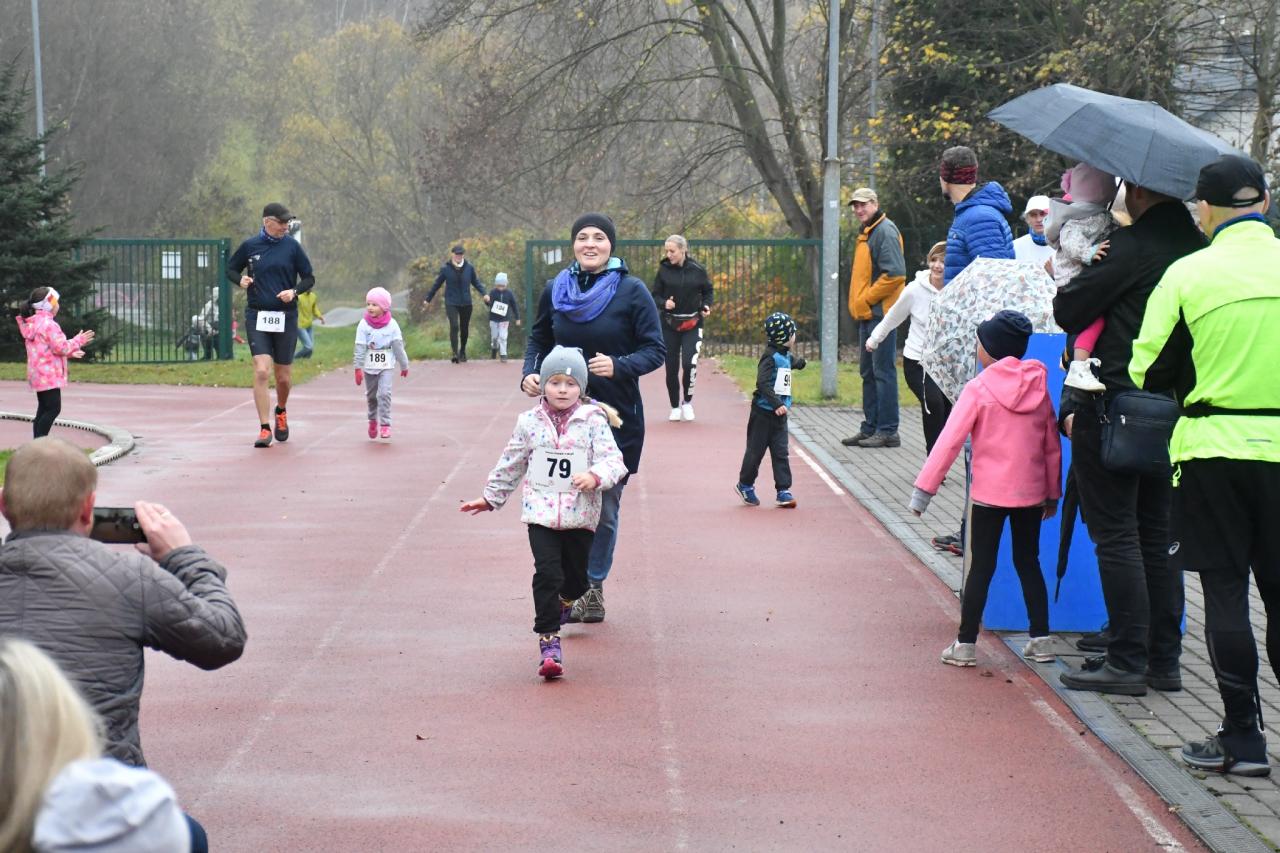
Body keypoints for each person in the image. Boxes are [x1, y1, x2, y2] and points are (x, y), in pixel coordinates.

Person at [1130, 154, 1279, 776]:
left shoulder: (1188, 273)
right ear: (1265, 203)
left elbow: (1146, 370)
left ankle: (1242, 739)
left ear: (1205, 209)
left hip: (1213, 448)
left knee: (1225, 594)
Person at [0, 437, 248, 767]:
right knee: (184, 823)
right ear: (88, 508)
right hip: (100, 793)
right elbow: (224, 639)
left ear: (4, 504)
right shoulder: (131, 578)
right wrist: (184, 557)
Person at [1053, 179, 1206, 697]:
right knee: (1158, 536)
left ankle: (1125, 659)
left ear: (1138, 190)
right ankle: (1164, 661)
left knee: (1116, 534)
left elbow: (1069, 310)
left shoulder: (1131, 246)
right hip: (1175, 411)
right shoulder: (1198, 249)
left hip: (1114, 400)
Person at [521, 213, 665, 624]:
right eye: (582, 237)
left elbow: (655, 350)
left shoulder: (632, 291)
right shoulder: (556, 289)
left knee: (604, 505)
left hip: (615, 415)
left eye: (598, 237)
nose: (590, 243)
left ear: (610, 246)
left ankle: (592, 587)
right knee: (561, 502)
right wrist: (530, 373)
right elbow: (538, 339)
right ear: (573, 245)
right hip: (561, 415)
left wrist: (619, 365)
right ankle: (569, 586)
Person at [461, 346, 627, 679]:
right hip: (541, 515)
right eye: (555, 383)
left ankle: (567, 603)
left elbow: (614, 461)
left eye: (569, 383)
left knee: (578, 581)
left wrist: (595, 476)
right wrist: (490, 497)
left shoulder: (594, 421)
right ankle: (549, 641)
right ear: (542, 386)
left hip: (581, 515)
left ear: (581, 387)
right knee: (548, 574)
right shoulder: (529, 422)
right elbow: (512, 462)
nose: (562, 390)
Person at [909, 310, 1061, 667]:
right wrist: (1052, 493)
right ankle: (1041, 639)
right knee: (1029, 562)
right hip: (1031, 495)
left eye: (980, 340)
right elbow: (1050, 444)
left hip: (989, 497)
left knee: (981, 567)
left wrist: (923, 492)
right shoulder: (1040, 386)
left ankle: (965, 645)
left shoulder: (977, 389)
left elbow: (948, 441)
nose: (977, 345)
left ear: (990, 349)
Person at [0, 637, 208, 852]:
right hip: (107, 773)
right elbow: (219, 640)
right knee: (191, 836)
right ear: (65, 712)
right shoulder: (145, 810)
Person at [933, 145, 1017, 559]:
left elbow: (994, 283)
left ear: (945, 177)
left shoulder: (979, 217)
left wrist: (983, 339)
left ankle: (977, 534)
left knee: (980, 442)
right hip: (976, 338)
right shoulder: (973, 215)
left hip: (984, 344)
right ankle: (970, 528)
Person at [227, 202, 316, 448]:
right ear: (268, 222)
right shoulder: (250, 246)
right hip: (258, 316)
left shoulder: (292, 248)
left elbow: (309, 278)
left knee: (283, 378)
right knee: (262, 370)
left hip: (285, 317)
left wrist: (294, 291)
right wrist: (241, 279)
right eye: (282, 222)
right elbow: (231, 269)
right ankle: (265, 428)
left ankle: (281, 410)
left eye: (288, 223)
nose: (286, 227)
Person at [866, 241, 951, 453]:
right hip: (917, 361)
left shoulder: (955, 289)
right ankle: (934, 460)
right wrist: (875, 339)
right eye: (934, 260)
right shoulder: (915, 290)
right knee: (933, 404)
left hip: (945, 362)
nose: (938, 266)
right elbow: (893, 316)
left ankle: (943, 452)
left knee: (948, 410)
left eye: (943, 261)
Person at [1047, 163, 1119, 394]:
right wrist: (1088, 252)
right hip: (1074, 279)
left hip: (1085, 279)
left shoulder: (1098, 214)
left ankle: (1070, 357)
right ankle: (1079, 364)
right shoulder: (1077, 217)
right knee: (1095, 319)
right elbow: (1070, 239)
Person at [843, 187, 907, 448]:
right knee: (869, 372)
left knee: (883, 372)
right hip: (869, 314)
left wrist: (866, 299)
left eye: (864, 205)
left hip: (880, 314)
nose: (859, 210)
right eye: (856, 206)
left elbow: (895, 274)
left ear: (875, 204)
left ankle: (888, 430)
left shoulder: (884, 231)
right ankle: (870, 427)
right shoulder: (868, 232)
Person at [734, 312, 806, 508]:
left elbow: (791, 362)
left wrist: (801, 364)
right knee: (755, 452)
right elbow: (762, 383)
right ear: (784, 337)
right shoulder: (769, 358)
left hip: (779, 417)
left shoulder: (784, 355)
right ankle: (745, 484)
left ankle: (783, 490)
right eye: (793, 334)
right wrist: (777, 404)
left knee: (781, 452)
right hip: (763, 414)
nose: (795, 337)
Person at [16, 287, 95, 439]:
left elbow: (46, 350)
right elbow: (60, 347)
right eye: (56, 302)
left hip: (39, 374)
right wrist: (79, 341)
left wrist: (70, 353)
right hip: (49, 376)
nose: (58, 305)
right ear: (49, 305)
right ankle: (40, 442)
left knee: (44, 408)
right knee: (53, 408)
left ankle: (38, 442)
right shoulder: (49, 325)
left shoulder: (33, 323)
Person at [652, 234, 713, 422]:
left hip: (693, 324)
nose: (669, 254)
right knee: (671, 368)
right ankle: (674, 406)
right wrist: (664, 304)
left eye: (672, 251)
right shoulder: (663, 270)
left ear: (683, 250)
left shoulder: (698, 270)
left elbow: (708, 291)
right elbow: (654, 295)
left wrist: (706, 305)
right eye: (666, 251)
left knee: (689, 364)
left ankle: (687, 402)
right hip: (669, 325)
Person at [938, 145, 1015, 284]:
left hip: (977, 306)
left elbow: (996, 280)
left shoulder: (979, 218)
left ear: (945, 179)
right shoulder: (971, 213)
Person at [353, 287, 410, 441]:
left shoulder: (392, 325)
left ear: (384, 307)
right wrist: (357, 368)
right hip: (369, 367)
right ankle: (372, 420)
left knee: (384, 393)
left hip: (386, 366)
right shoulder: (363, 325)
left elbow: (398, 346)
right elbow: (359, 347)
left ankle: (385, 424)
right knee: (372, 397)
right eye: (368, 304)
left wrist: (404, 365)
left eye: (374, 304)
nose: (370, 307)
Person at [424, 244, 488, 363]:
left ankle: (462, 350)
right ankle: (454, 353)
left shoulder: (469, 268)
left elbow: (476, 282)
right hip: (451, 302)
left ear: (463, 255)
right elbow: (436, 284)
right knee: (454, 326)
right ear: (452, 255)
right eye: (457, 254)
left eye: (461, 254)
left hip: (466, 302)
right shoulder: (445, 269)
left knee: (464, 328)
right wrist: (428, 299)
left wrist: (484, 294)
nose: (459, 256)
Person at [487, 272, 520, 362]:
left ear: (506, 284)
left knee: (503, 336)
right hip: (493, 319)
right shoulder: (493, 292)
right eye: (499, 286)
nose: (501, 288)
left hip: (504, 319)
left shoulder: (509, 293)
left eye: (503, 286)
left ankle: (503, 354)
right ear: (496, 284)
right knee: (494, 336)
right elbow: (489, 304)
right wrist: (487, 301)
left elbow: (514, 305)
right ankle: (494, 348)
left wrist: (517, 318)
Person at [1012, 195, 1053, 268]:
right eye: (1033, 215)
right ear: (1027, 219)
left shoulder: (1064, 244)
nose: (1039, 219)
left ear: (1052, 216)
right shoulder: (1016, 246)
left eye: (1043, 214)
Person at [295, 288, 324, 359]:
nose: (310, 288)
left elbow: (314, 308)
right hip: (300, 325)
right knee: (308, 347)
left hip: (309, 325)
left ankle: (305, 361)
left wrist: (320, 317)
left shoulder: (313, 296)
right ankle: (294, 358)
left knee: (311, 349)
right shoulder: (299, 297)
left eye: (311, 286)